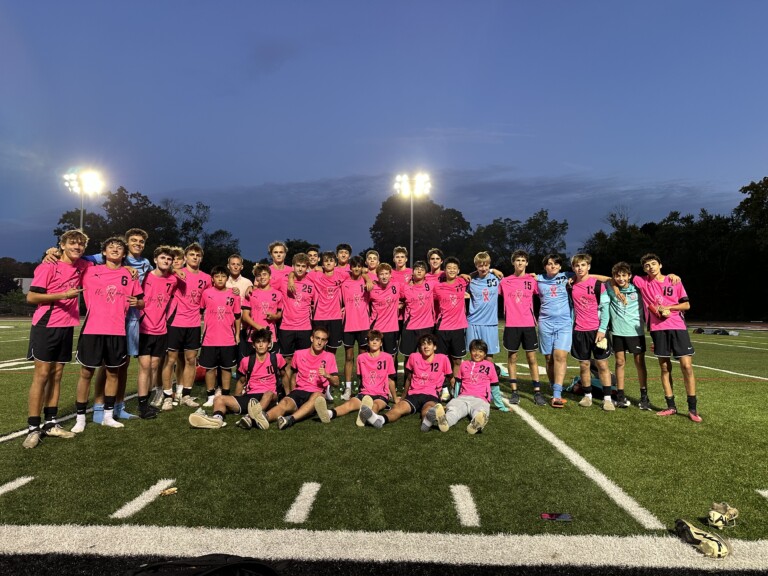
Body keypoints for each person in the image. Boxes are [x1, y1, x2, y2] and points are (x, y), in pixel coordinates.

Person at [23, 229, 90, 448]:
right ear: (62, 245)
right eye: (72, 243)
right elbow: (31, 296)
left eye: (80, 244)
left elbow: (108, 261)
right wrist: (62, 295)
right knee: (42, 375)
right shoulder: (48, 265)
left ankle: (51, 423)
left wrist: (130, 268)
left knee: (58, 374)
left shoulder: (83, 265)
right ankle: (33, 427)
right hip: (46, 325)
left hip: (67, 326)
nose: (77, 247)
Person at [71, 237, 144, 433]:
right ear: (103, 252)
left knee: (113, 373)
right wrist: (51, 253)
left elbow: (141, 301)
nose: (115, 249)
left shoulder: (130, 275)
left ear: (124, 254)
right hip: (93, 329)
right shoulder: (89, 270)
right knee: (86, 373)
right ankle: (80, 419)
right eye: (111, 246)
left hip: (117, 330)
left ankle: (108, 416)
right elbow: (70, 257)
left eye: (119, 247)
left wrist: (139, 303)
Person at [633, 253, 701, 422]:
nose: (651, 267)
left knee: (687, 366)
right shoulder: (642, 282)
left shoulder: (674, 281)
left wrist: (669, 308)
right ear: (644, 269)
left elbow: (686, 304)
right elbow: (616, 276)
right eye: (647, 266)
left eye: (653, 264)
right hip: (657, 329)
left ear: (660, 265)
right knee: (664, 367)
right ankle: (671, 406)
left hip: (677, 326)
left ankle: (692, 408)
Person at [189, 328, 287, 429]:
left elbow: (284, 376)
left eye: (264, 342)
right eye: (258, 342)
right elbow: (241, 382)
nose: (261, 345)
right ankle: (217, 419)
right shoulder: (246, 361)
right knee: (219, 399)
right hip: (250, 398)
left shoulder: (277, 358)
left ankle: (250, 417)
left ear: (269, 344)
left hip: (269, 398)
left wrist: (288, 397)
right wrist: (237, 399)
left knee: (269, 394)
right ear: (253, 345)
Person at [248, 326, 339, 430]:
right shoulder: (299, 354)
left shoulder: (329, 356)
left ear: (326, 342)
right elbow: (293, 376)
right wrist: (290, 393)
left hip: (316, 392)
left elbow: (336, 382)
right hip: (299, 390)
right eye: (317, 338)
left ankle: (289, 419)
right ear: (311, 338)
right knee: (284, 403)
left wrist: (328, 375)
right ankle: (263, 417)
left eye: (323, 340)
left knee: (318, 397)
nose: (319, 342)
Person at [360, 333, 452, 429]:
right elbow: (409, 378)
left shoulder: (443, 359)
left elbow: (451, 378)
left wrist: (454, 396)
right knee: (398, 408)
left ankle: (426, 422)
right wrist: (403, 397)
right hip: (414, 394)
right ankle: (380, 419)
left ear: (435, 347)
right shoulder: (414, 357)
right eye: (423, 344)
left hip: (431, 394)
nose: (426, 346)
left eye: (429, 344)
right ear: (420, 347)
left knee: (428, 409)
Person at [163, 242, 211, 408]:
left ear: (201, 258)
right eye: (192, 255)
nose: (195, 257)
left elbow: (215, 292)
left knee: (191, 360)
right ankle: (168, 395)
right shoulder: (177, 273)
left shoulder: (206, 278)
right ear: (185, 258)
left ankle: (186, 395)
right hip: (175, 322)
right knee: (171, 360)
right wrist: (173, 270)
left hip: (194, 323)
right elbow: (161, 272)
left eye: (198, 255)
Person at [315, 329, 396, 426]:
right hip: (364, 393)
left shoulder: (387, 357)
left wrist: (395, 399)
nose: (374, 342)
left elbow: (390, 380)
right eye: (371, 340)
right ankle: (329, 413)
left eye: (377, 340)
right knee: (348, 404)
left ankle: (366, 417)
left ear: (381, 343)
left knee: (375, 405)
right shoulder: (361, 358)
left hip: (381, 395)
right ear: (368, 343)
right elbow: (360, 377)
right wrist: (359, 392)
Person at [569, 253, 614, 411]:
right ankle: (587, 396)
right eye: (577, 265)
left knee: (602, 364)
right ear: (573, 268)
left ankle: (607, 399)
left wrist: (602, 330)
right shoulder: (571, 285)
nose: (580, 268)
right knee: (584, 365)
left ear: (588, 266)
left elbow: (606, 309)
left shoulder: (597, 285)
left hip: (597, 331)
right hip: (580, 331)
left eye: (583, 265)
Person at [499, 250, 544, 406]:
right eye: (517, 260)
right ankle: (514, 391)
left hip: (528, 324)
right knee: (512, 358)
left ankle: (537, 392)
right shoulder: (504, 281)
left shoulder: (533, 281)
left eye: (523, 260)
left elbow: (546, 292)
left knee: (532, 358)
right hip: (512, 324)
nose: (520, 263)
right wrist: (491, 270)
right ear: (513, 262)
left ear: (526, 263)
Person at [426, 339, 499, 434]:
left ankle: (476, 424)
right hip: (463, 397)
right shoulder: (464, 365)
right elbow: (458, 384)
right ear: (470, 352)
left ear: (485, 354)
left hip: (480, 399)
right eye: (474, 350)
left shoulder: (490, 366)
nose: (477, 354)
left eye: (480, 351)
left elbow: (495, 386)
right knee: (454, 410)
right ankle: (445, 422)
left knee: (480, 411)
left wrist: (500, 406)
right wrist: (456, 398)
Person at [138, 246, 178, 417]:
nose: (166, 261)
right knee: (145, 367)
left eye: (169, 259)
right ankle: (142, 405)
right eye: (163, 258)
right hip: (143, 327)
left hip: (161, 329)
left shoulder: (173, 280)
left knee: (154, 366)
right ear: (155, 259)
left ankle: (146, 401)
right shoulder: (144, 276)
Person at [605, 262, 649, 410]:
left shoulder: (638, 288)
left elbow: (654, 281)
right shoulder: (610, 288)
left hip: (636, 332)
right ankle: (620, 396)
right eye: (617, 275)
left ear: (630, 276)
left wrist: (671, 276)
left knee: (639, 363)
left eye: (624, 275)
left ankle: (644, 397)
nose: (621, 278)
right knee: (619, 362)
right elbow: (596, 277)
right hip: (618, 332)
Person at [535, 254, 574, 408]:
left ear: (560, 266)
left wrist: (612, 281)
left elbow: (589, 276)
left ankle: (557, 394)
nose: (553, 266)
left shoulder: (567, 276)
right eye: (549, 264)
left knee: (560, 356)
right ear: (545, 266)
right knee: (549, 358)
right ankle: (553, 384)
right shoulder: (537, 279)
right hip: (545, 323)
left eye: (556, 264)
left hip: (564, 323)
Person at [199, 266, 242, 407]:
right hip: (209, 338)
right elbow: (200, 312)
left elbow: (237, 316)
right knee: (210, 368)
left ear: (227, 278)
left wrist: (237, 334)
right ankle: (211, 396)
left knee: (226, 368)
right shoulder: (206, 293)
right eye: (217, 276)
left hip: (227, 338)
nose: (220, 279)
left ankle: (224, 394)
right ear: (212, 278)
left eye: (223, 276)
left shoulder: (234, 294)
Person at [276, 253, 316, 387]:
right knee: (286, 360)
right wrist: (250, 287)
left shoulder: (311, 284)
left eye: (303, 266)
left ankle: (302, 387)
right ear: (292, 266)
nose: (300, 269)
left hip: (304, 328)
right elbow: (265, 285)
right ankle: (286, 390)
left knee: (303, 360)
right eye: (297, 266)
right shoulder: (283, 281)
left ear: (307, 268)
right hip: (286, 327)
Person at [433, 257, 469, 398]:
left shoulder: (463, 282)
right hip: (442, 328)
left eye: (455, 268)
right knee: (442, 360)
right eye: (449, 268)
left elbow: (478, 272)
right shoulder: (438, 287)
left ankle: (455, 387)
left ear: (458, 270)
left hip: (459, 327)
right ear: (445, 270)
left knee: (457, 360)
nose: (452, 270)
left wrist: (491, 269)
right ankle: (443, 388)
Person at [340, 256, 370, 400]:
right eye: (354, 266)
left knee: (362, 357)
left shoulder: (367, 281)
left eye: (359, 266)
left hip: (364, 325)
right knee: (349, 357)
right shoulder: (344, 284)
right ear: (350, 268)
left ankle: (363, 386)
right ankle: (348, 388)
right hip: (349, 325)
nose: (356, 269)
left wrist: (368, 279)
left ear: (362, 267)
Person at [399, 261, 436, 361]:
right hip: (410, 326)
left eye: (422, 269)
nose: (419, 271)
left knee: (426, 356)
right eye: (417, 269)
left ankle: (424, 376)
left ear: (426, 273)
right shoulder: (405, 287)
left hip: (426, 326)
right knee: (408, 358)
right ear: (412, 272)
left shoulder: (431, 285)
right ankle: (408, 377)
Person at [368, 263, 402, 357]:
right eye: (381, 274)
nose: (384, 276)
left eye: (386, 274)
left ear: (390, 275)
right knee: (375, 356)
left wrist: (402, 304)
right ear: (377, 276)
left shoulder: (396, 285)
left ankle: (392, 372)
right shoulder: (372, 288)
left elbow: (409, 293)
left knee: (391, 357)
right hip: (376, 328)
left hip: (391, 328)